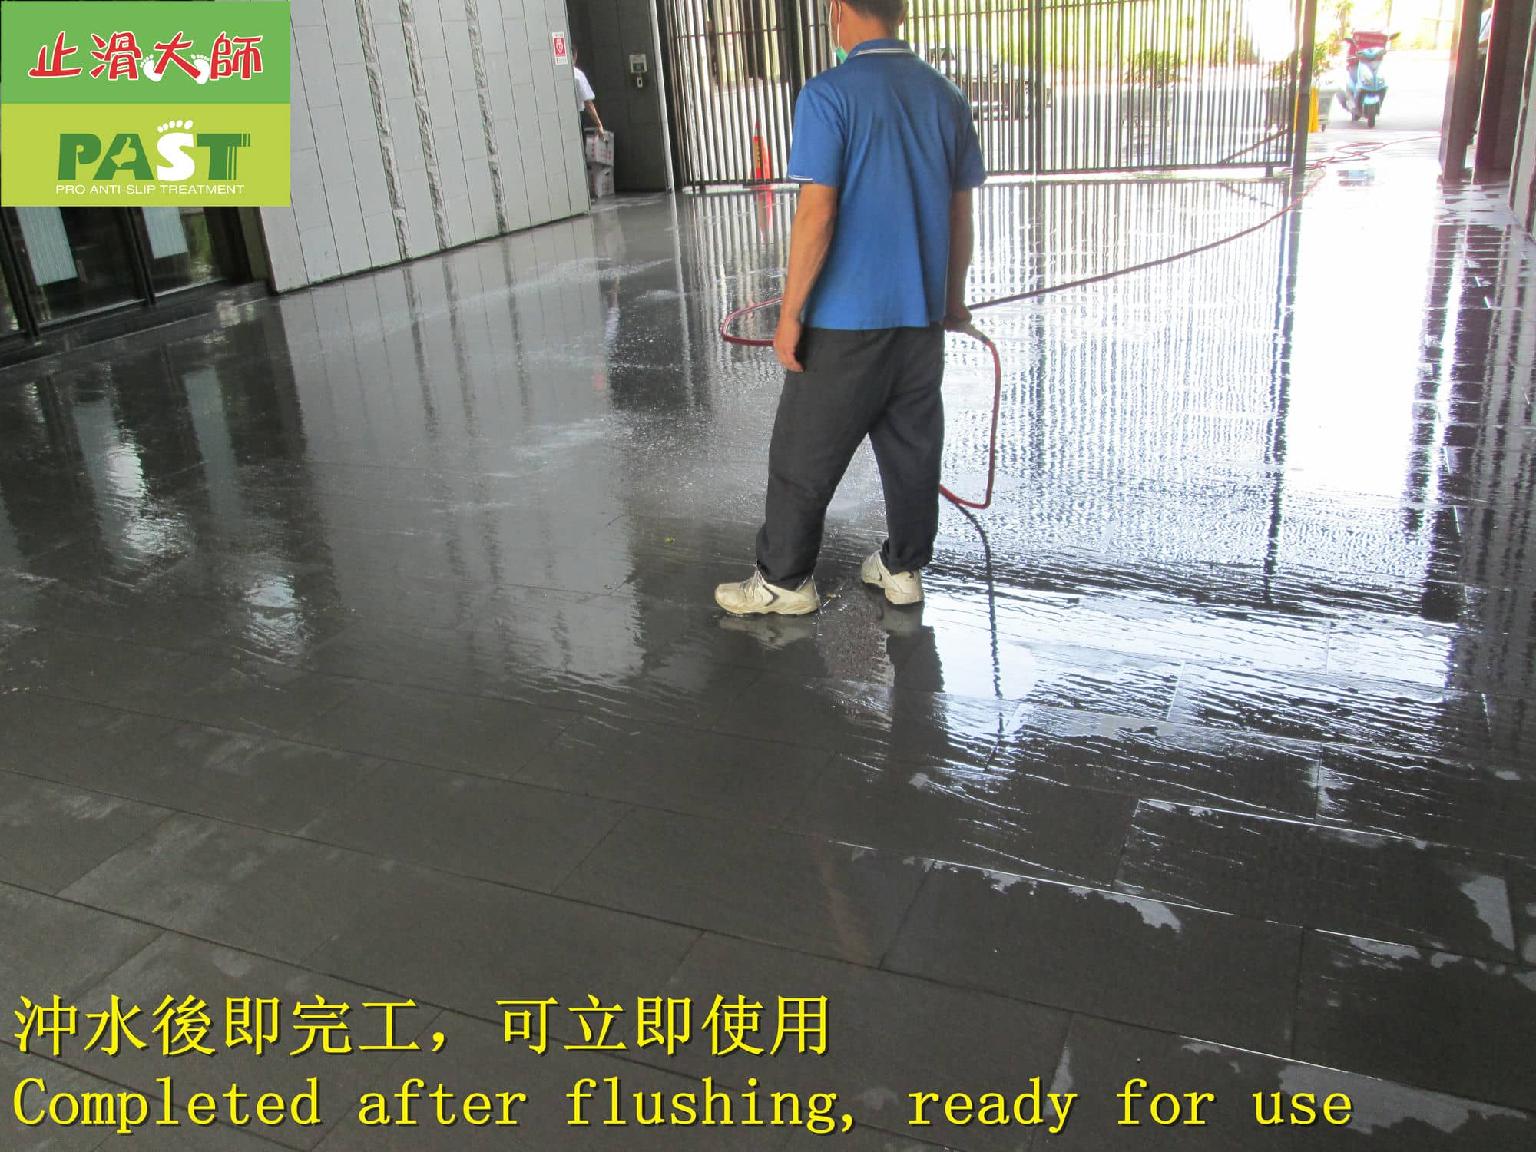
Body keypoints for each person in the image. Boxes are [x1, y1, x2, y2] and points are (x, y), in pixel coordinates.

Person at [713, 0, 984, 616]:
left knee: (802, 455)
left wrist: (790, 314)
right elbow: (960, 211)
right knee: (912, 451)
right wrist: (952, 299)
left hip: (844, 322)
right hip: (920, 320)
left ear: (837, 9)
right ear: (901, 11)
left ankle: (784, 582)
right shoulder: (946, 97)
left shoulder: (828, 94)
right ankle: (903, 567)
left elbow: (818, 212)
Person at [574, 55, 603, 135]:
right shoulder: (577, 74)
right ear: (575, 55)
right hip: (578, 116)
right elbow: (588, 103)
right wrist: (598, 124)